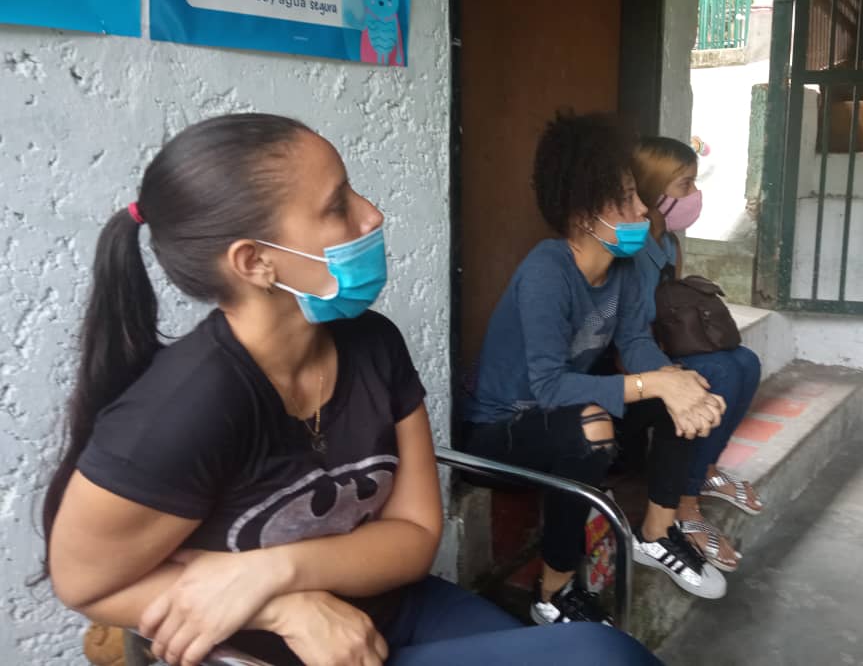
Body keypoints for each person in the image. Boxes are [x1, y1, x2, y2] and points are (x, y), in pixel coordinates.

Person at [41, 113, 663, 666]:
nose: (372, 214)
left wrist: (272, 573)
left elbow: (415, 535)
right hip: (277, 652)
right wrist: (284, 611)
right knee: (602, 654)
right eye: (338, 204)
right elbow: (85, 583)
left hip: (398, 610)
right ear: (255, 262)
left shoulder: (373, 344)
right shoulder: (183, 410)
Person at [463, 112, 729, 627]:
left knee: (686, 387)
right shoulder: (547, 270)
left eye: (637, 195)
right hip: (500, 431)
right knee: (591, 428)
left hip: (564, 413)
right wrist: (656, 382)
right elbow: (549, 387)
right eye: (626, 198)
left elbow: (635, 342)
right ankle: (553, 593)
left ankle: (656, 534)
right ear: (585, 212)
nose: (642, 208)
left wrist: (679, 386)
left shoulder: (621, 266)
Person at [630, 135, 764, 574]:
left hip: (660, 350)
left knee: (745, 362)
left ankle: (703, 469)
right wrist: (669, 374)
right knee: (719, 372)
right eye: (684, 185)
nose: (694, 194)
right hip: (632, 365)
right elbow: (630, 332)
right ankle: (686, 505)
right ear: (654, 190)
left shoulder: (669, 242)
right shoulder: (631, 244)